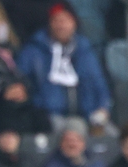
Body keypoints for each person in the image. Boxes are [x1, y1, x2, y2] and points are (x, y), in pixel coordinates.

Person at [16, 2, 112, 131]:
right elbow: (20, 79)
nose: (61, 26)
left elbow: (98, 83)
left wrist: (102, 108)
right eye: (56, 21)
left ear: (74, 23)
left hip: (87, 115)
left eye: (65, 20)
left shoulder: (85, 50)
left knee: (112, 136)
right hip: (49, 117)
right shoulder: (33, 51)